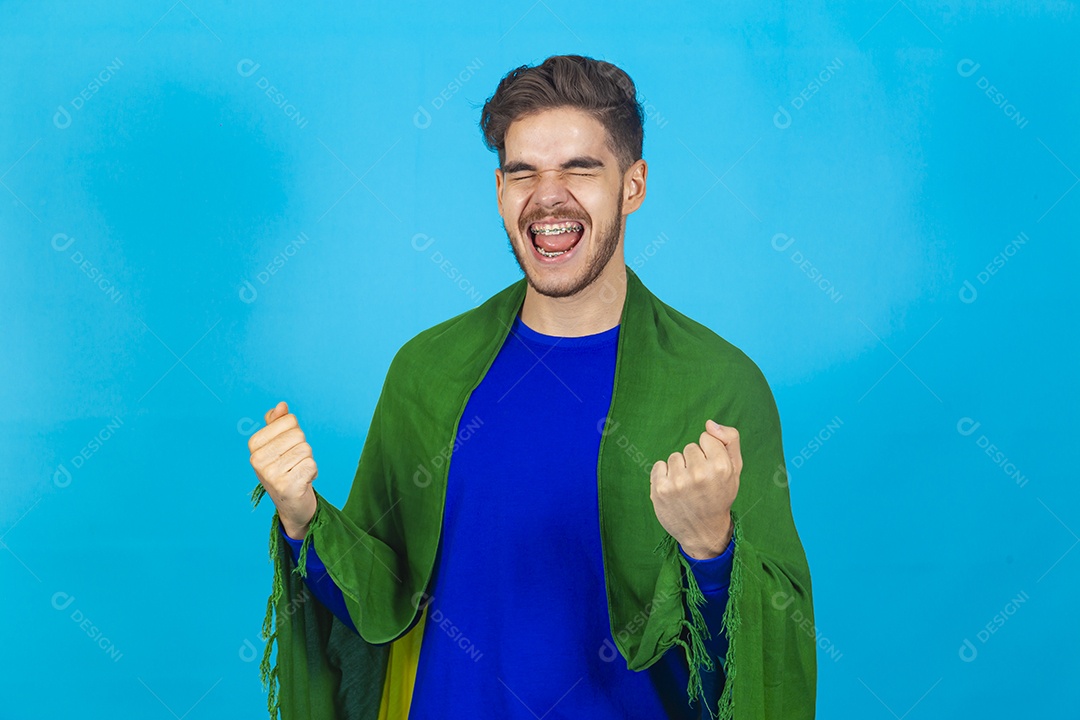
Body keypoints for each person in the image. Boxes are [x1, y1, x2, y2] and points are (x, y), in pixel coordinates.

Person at [248, 54, 816, 720]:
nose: (548, 196)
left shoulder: (718, 386)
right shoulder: (427, 371)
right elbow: (379, 603)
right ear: (499, 190)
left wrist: (710, 549)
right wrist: (301, 516)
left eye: (580, 168)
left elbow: (766, 661)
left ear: (633, 185)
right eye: (523, 172)